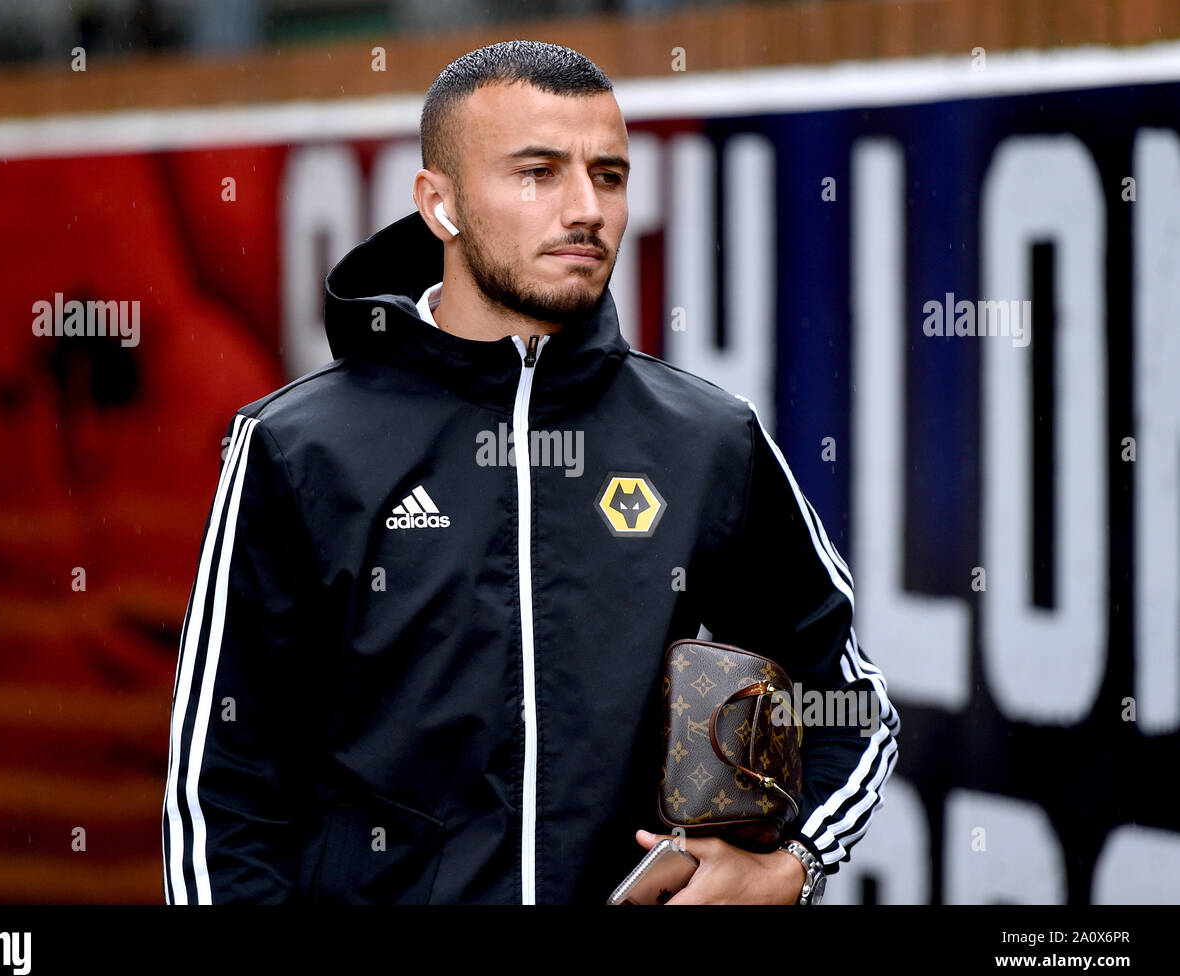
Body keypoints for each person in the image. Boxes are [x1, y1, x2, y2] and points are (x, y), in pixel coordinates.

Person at [162, 39, 900, 905]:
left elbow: (849, 705)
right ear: (440, 204)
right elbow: (223, 791)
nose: (585, 208)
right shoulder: (297, 448)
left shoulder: (710, 441)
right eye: (538, 173)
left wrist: (793, 865)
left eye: (611, 176)